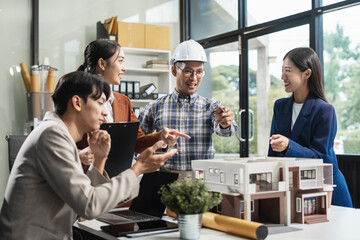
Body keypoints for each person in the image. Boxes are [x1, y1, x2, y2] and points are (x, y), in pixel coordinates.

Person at [0, 71, 177, 239]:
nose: (106, 112)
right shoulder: (52, 136)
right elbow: (88, 206)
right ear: (77, 103)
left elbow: (80, 203)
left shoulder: (57, 133)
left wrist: (99, 159)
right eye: (100, 103)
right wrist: (138, 169)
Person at [76, 39, 190, 166]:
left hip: (119, 179)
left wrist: (160, 138)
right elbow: (58, 142)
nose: (124, 68)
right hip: (86, 179)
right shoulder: (77, 101)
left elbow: (136, 142)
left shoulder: (123, 101)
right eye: (120, 61)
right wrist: (78, 155)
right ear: (102, 63)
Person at [268, 47, 352, 207]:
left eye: (287, 71)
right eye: (282, 70)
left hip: (325, 188)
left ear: (306, 73)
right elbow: (273, 152)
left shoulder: (325, 110)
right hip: (292, 187)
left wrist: (288, 146)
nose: (282, 76)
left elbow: (319, 155)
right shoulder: (280, 106)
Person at [138, 39, 237, 172]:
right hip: (164, 181)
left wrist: (225, 123)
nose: (194, 78)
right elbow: (137, 147)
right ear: (174, 71)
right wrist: (160, 145)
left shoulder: (211, 106)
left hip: (201, 182)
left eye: (199, 71)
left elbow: (227, 132)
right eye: (188, 71)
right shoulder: (154, 107)